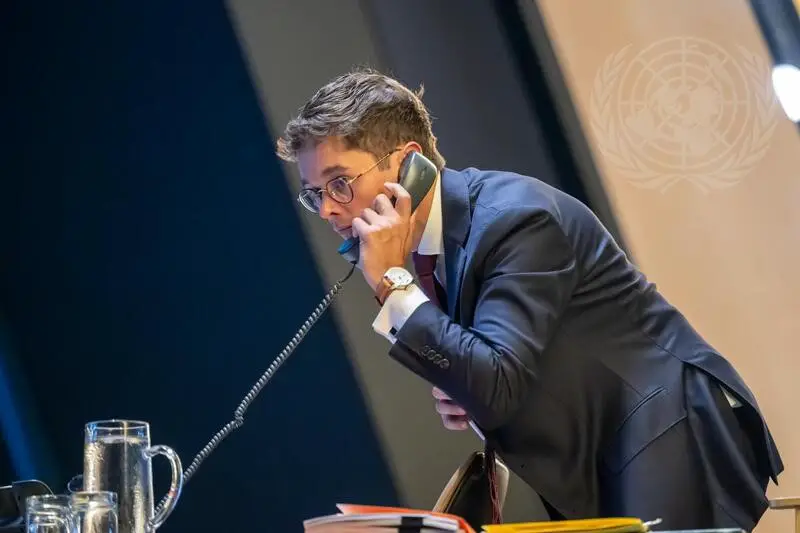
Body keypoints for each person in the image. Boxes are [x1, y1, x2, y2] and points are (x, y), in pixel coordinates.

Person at [275, 67, 783, 532]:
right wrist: (467, 397)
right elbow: (500, 380)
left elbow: (497, 379)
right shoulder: (438, 248)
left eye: (340, 184)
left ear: (409, 163)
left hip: (670, 431)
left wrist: (390, 280)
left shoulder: (514, 219)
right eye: (314, 193)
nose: (327, 211)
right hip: (605, 451)